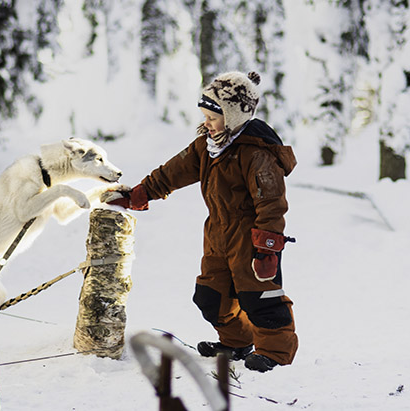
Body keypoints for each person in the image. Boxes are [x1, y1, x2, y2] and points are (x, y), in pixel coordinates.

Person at [103, 71, 298, 372]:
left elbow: (271, 203)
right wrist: (138, 194)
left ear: (233, 116)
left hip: (250, 237)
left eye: (213, 117)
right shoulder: (207, 146)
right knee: (210, 296)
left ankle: (275, 352)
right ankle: (237, 341)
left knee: (259, 297)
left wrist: (268, 248)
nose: (206, 123)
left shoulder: (256, 153)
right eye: (204, 115)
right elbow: (171, 173)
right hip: (218, 233)